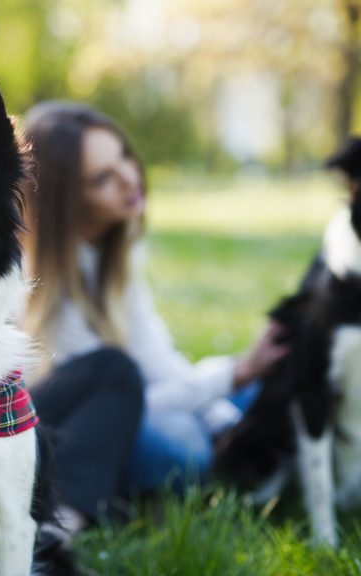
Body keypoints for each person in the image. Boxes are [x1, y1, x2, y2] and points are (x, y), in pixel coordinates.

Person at [21, 101, 289, 501]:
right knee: (183, 450)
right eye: (102, 179)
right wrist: (234, 375)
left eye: (124, 157)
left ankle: (236, 449)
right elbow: (119, 404)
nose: (131, 178)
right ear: (67, 206)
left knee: (260, 390)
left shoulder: (111, 251)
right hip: (92, 432)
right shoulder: (47, 293)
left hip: (149, 403)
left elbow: (157, 362)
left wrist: (223, 413)